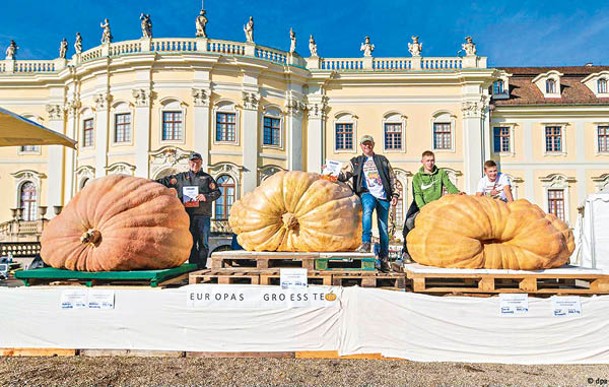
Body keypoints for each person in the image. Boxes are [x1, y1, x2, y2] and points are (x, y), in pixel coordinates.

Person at [337, 135, 399, 272]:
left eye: (369, 144)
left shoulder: (382, 160)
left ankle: (384, 259)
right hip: (367, 193)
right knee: (367, 210)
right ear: (361, 146)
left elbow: (392, 177)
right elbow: (345, 175)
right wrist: (332, 172)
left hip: (383, 196)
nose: (367, 146)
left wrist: (395, 194)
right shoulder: (356, 161)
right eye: (365, 144)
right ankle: (366, 242)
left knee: (383, 229)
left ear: (373, 144)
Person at [156, 152, 221, 269]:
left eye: (197, 162)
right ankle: (193, 266)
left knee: (203, 243)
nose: (194, 164)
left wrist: (205, 197)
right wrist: (149, 183)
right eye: (192, 162)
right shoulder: (181, 178)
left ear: (201, 163)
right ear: (189, 163)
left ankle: (201, 267)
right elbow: (165, 181)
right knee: (189, 242)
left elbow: (217, 193)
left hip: (203, 216)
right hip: (187, 216)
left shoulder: (207, 178)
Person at [402, 150, 462, 263]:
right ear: (422, 162)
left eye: (432, 160)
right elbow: (417, 195)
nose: (430, 163)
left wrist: (458, 193)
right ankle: (406, 252)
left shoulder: (441, 173)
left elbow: (449, 185)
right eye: (428, 161)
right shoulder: (417, 177)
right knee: (409, 223)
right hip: (420, 204)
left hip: (436, 204)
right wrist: (423, 209)